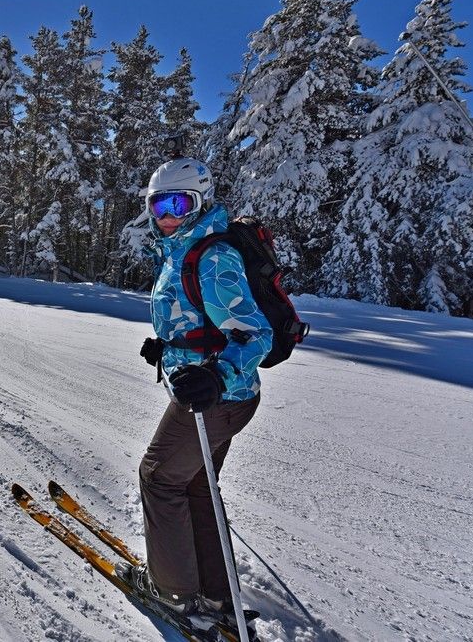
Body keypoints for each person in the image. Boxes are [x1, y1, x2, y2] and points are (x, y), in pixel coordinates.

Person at [116, 158, 273, 617]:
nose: (166, 214)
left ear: (198, 204)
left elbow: (253, 334)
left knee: (159, 478)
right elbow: (198, 319)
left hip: (218, 397)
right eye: (157, 204)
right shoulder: (184, 248)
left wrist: (215, 374)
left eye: (178, 203)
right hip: (221, 393)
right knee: (198, 484)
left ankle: (173, 593)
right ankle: (216, 592)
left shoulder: (213, 255)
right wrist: (168, 347)